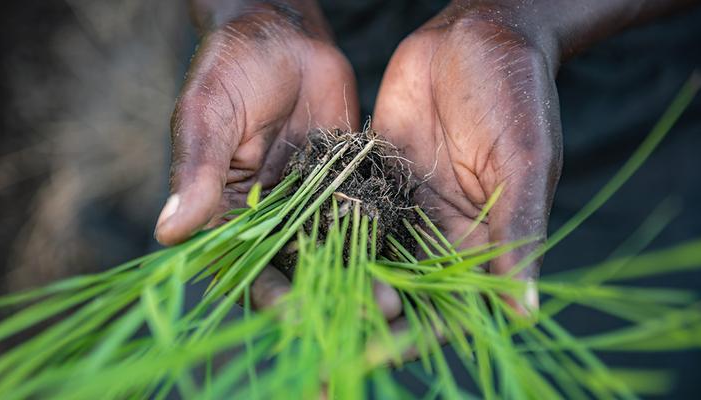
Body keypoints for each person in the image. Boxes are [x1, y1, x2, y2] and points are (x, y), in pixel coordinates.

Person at [154, 0, 701, 392]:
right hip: (283, 93)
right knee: (234, 356)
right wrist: (257, 10)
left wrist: (523, 18)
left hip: (599, 70)